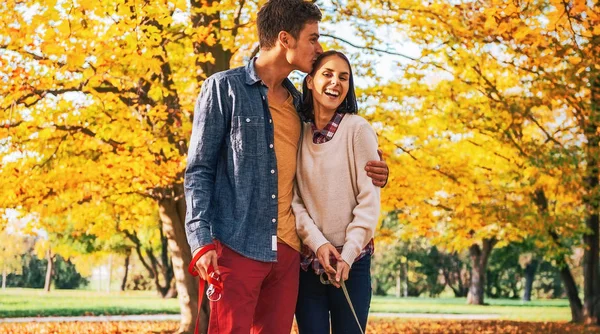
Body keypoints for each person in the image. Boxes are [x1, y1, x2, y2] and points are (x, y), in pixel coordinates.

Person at [184, 0, 388, 332]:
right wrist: (200, 241)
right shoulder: (224, 89)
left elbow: (328, 159)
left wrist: (379, 168)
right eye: (313, 38)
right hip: (236, 245)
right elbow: (199, 171)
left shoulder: (299, 105)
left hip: (289, 252)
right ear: (285, 39)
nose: (318, 48)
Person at [292, 50, 380, 334]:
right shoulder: (298, 133)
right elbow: (296, 201)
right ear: (310, 81)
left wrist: (349, 254)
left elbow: (369, 202)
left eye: (344, 77)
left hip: (352, 266)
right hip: (309, 265)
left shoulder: (357, 130)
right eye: (327, 74)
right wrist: (318, 244)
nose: (336, 82)